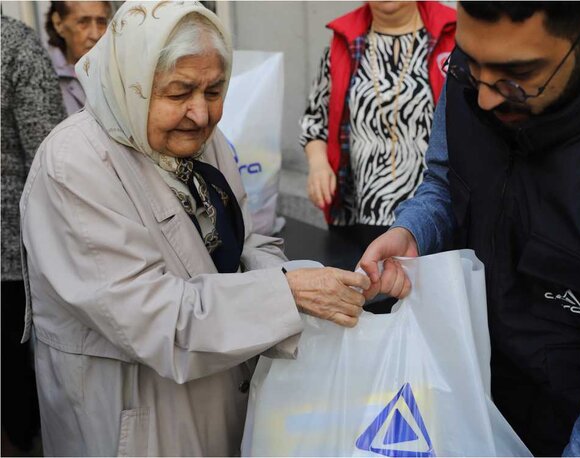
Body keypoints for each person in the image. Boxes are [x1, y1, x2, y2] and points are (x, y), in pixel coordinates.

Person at [20, 2, 370, 456]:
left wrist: (313, 288)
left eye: (214, 90)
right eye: (180, 91)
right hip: (134, 421)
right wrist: (288, 293)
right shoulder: (74, 164)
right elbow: (153, 318)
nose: (201, 114)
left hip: (220, 398)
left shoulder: (203, 139)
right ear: (131, 82)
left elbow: (247, 239)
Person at [360, 1, 580, 456]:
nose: (486, 99)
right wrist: (413, 232)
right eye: (472, 64)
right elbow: (444, 181)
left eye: (518, 75)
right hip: (466, 390)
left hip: (576, 424)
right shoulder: (477, 72)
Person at [300, 1, 455, 259]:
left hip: (430, 212)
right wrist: (318, 164)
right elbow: (315, 120)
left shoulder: (452, 36)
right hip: (359, 211)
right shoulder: (343, 41)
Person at [1, 15, 66, 453]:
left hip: (10, 256)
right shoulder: (16, 44)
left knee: (14, 384)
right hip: (12, 254)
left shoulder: (14, 46)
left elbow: (47, 158)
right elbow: (51, 161)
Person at [45, 1, 111, 115]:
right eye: (83, 22)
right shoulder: (41, 74)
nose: (95, 35)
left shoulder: (117, 70)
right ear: (58, 23)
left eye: (101, 22)